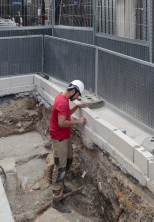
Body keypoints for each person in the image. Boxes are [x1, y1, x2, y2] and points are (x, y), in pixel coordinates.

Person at [49, 79, 88, 213]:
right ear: (73, 91)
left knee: (68, 160)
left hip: (64, 137)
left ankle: (61, 185)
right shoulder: (61, 101)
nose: (78, 97)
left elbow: (65, 114)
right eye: (78, 95)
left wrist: (77, 107)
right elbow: (61, 123)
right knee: (60, 168)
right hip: (59, 139)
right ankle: (57, 199)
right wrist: (78, 121)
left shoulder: (64, 99)